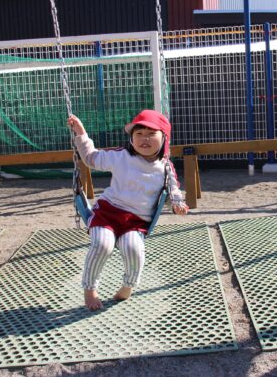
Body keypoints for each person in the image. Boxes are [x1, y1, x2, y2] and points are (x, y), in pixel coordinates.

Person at [67, 109, 189, 310]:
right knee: (102, 244)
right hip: (108, 213)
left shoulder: (165, 168)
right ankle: (89, 289)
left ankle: (128, 285)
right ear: (131, 138)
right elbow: (91, 158)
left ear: (164, 138)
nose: (144, 139)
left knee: (134, 249)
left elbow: (172, 191)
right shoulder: (121, 156)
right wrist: (81, 133)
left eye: (151, 134)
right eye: (139, 133)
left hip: (136, 222)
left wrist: (177, 204)